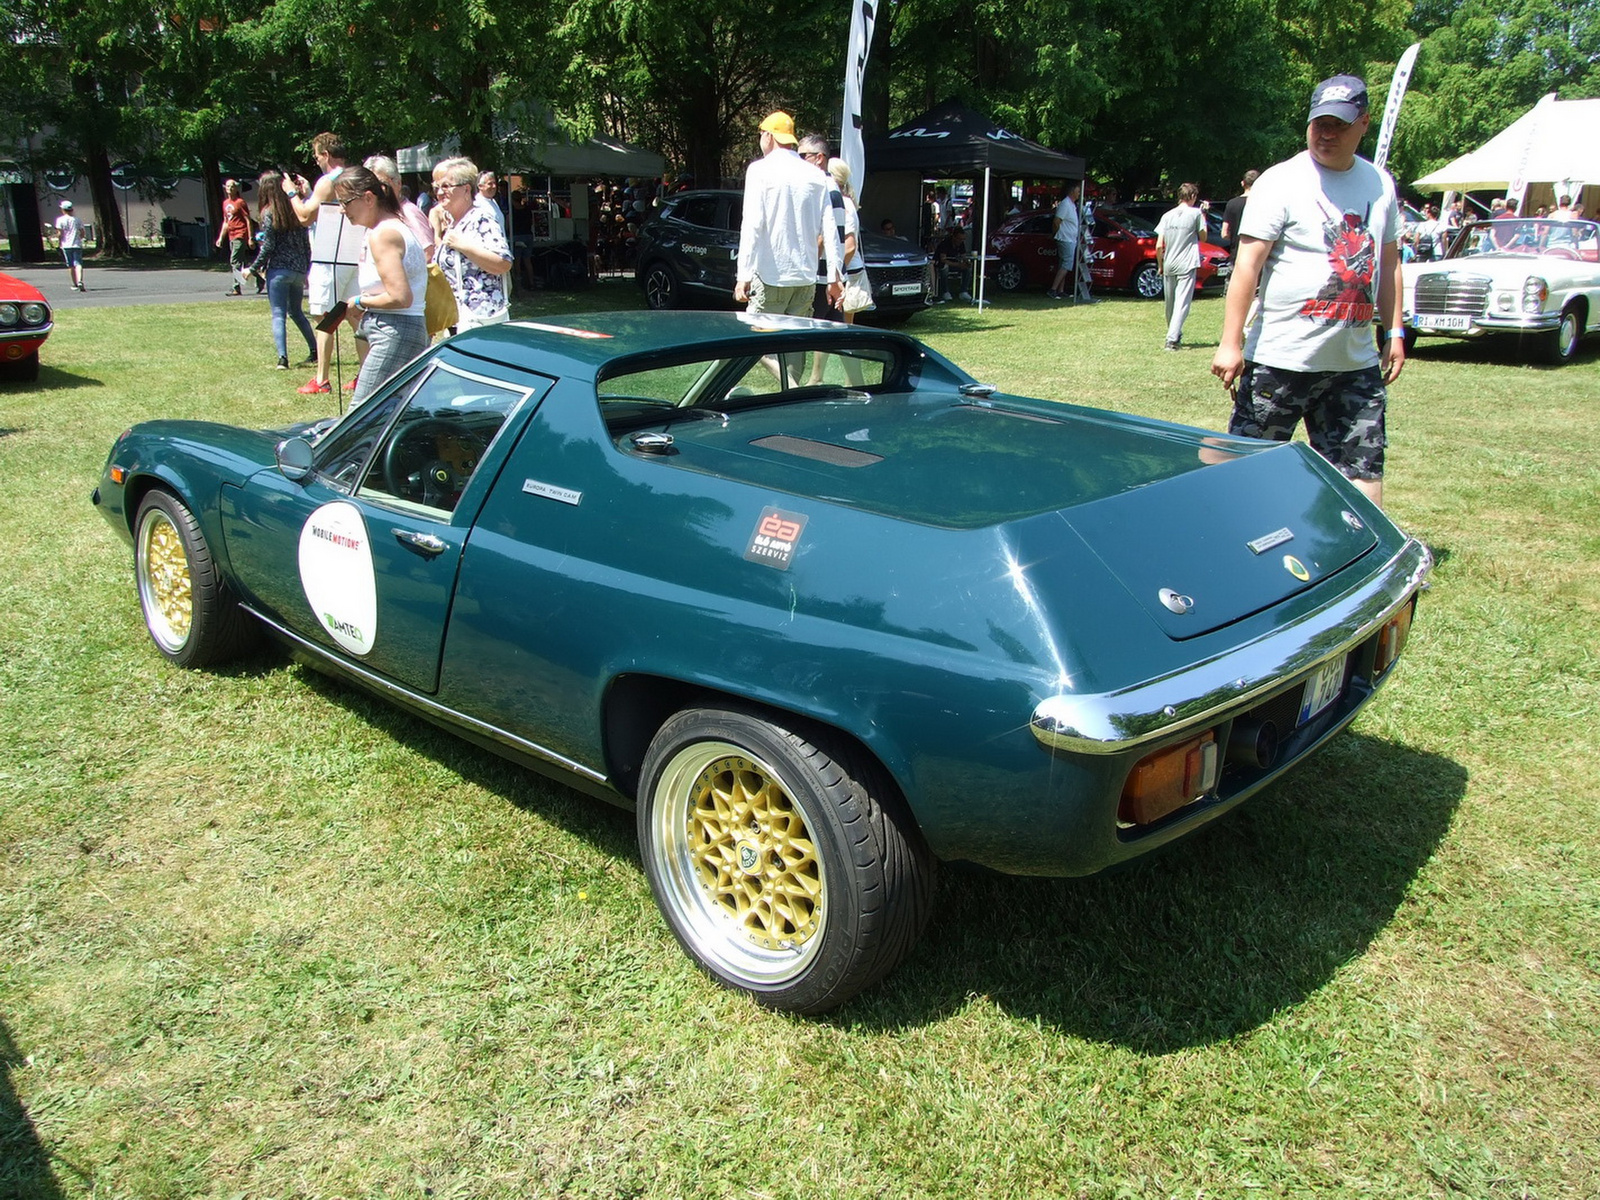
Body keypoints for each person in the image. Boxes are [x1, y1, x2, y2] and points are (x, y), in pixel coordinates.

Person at [1210, 74, 1404, 508]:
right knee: (1245, 472)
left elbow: (1389, 264)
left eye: (1339, 123)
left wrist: (1394, 332)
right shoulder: (1280, 181)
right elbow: (1247, 266)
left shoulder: (1380, 184)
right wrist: (1229, 342)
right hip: (1281, 359)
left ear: (1364, 124)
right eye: (1320, 123)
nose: (1327, 133)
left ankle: (1358, 565)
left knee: (1361, 474)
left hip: (1354, 365)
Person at [335, 167, 428, 407]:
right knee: (389, 415)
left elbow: (400, 297)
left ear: (368, 197)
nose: (342, 210)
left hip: (395, 331)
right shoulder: (389, 228)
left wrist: (359, 301)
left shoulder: (383, 234)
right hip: (401, 330)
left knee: (362, 415)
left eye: (345, 202)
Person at [733, 111, 841, 317]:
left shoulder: (759, 170)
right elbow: (830, 228)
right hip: (805, 278)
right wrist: (833, 277)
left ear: (768, 136)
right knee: (795, 344)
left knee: (764, 342)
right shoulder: (817, 175)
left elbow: (752, 226)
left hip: (770, 276)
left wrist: (744, 275)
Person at [290, 132, 359, 395]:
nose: (317, 160)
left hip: (328, 256)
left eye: (317, 156)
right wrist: (309, 192)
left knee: (324, 317)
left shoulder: (327, 180)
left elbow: (306, 216)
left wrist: (291, 195)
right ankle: (363, 374)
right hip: (353, 254)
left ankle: (321, 379)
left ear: (326, 155)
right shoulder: (356, 176)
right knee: (356, 314)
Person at [244, 170, 317, 370]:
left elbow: (268, 246)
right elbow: (306, 245)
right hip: (298, 270)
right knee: (297, 312)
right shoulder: (296, 210)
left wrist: (253, 268)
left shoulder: (269, 213)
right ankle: (315, 350)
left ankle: (283, 358)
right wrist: (306, 268)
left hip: (279, 270)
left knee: (278, 314)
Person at [431, 156, 513, 329]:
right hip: (457, 317)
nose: (439, 192)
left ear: (466, 189)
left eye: (445, 186)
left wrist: (464, 245)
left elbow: (503, 263)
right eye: (436, 187)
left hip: (480, 320)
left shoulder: (482, 219)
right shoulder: (454, 223)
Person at [799, 134, 848, 320]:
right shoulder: (831, 186)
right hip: (831, 276)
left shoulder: (823, 187)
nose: (799, 161)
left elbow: (823, 236)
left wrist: (807, 268)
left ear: (819, 158)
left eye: (803, 156)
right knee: (830, 339)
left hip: (821, 277)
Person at [1155, 183, 1207, 350]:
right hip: (1187, 263)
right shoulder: (1196, 213)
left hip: (1169, 262)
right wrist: (1204, 214)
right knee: (1182, 302)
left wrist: (1160, 264)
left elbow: (1158, 245)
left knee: (1170, 303)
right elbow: (1203, 237)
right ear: (1192, 197)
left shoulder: (1167, 215)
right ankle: (1171, 338)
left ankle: (1174, 333)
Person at [366, 154, 435, 263]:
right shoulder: (380, 213)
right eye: (370, 185)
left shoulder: (408, 212)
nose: (377, 190)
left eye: (381, 184)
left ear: (398, 183)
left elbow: (428, 253)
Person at [216, 179, 256, 296]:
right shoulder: (225, 203)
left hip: (240, 234)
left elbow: (248, 220)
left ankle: (236, 287)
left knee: (234, 261)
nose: (230, 189)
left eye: (232, 186)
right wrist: (220, 238)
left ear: (236, 188)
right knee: (241, 261)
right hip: (231, 235)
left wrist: (250, 238)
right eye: (228, 186)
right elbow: (226, 222)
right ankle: (259, 280)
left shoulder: (240, 203)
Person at [1048, 181, 1082, 299]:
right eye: (1078, 191)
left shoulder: (1072, 204)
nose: (1079, 194)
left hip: (1071, 239)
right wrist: (1055, 233)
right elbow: (1057, 221)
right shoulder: (1065, 204)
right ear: (1072, 191)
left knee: (1063, 264)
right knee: (1067, 264)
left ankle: (1060, 290)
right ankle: (1053, 289)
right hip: (1065, 239)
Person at [1220, 170, 1258, 257]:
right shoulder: (1263, 203)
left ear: (1242, 183)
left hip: (1236, 254)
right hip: (1257, 256)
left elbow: (1224, 234)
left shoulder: (1232, 203)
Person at [933, 223, 971, 302]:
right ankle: (945, 292)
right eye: (959, 239)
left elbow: (963, 256)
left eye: (963, 239)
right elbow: (943, 259)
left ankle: (963, 291)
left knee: (968, 269)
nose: (961, 241)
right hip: (940, 264)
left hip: (954, 264)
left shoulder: (961, 244)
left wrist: (966, 262)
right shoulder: (945, 243)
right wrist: (958, 264)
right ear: (954, 237)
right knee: (945, 268)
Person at [54, 200, 85, 291]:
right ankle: (80, 280)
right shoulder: (77, 220)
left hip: (66, 244)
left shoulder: (60, 220)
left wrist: (59, 242)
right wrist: (80, 238)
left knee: (70, 265)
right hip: (76, 244)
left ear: (63, 210)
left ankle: (74, 283)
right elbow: (82, 232)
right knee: (78, 263)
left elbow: (60, 233)